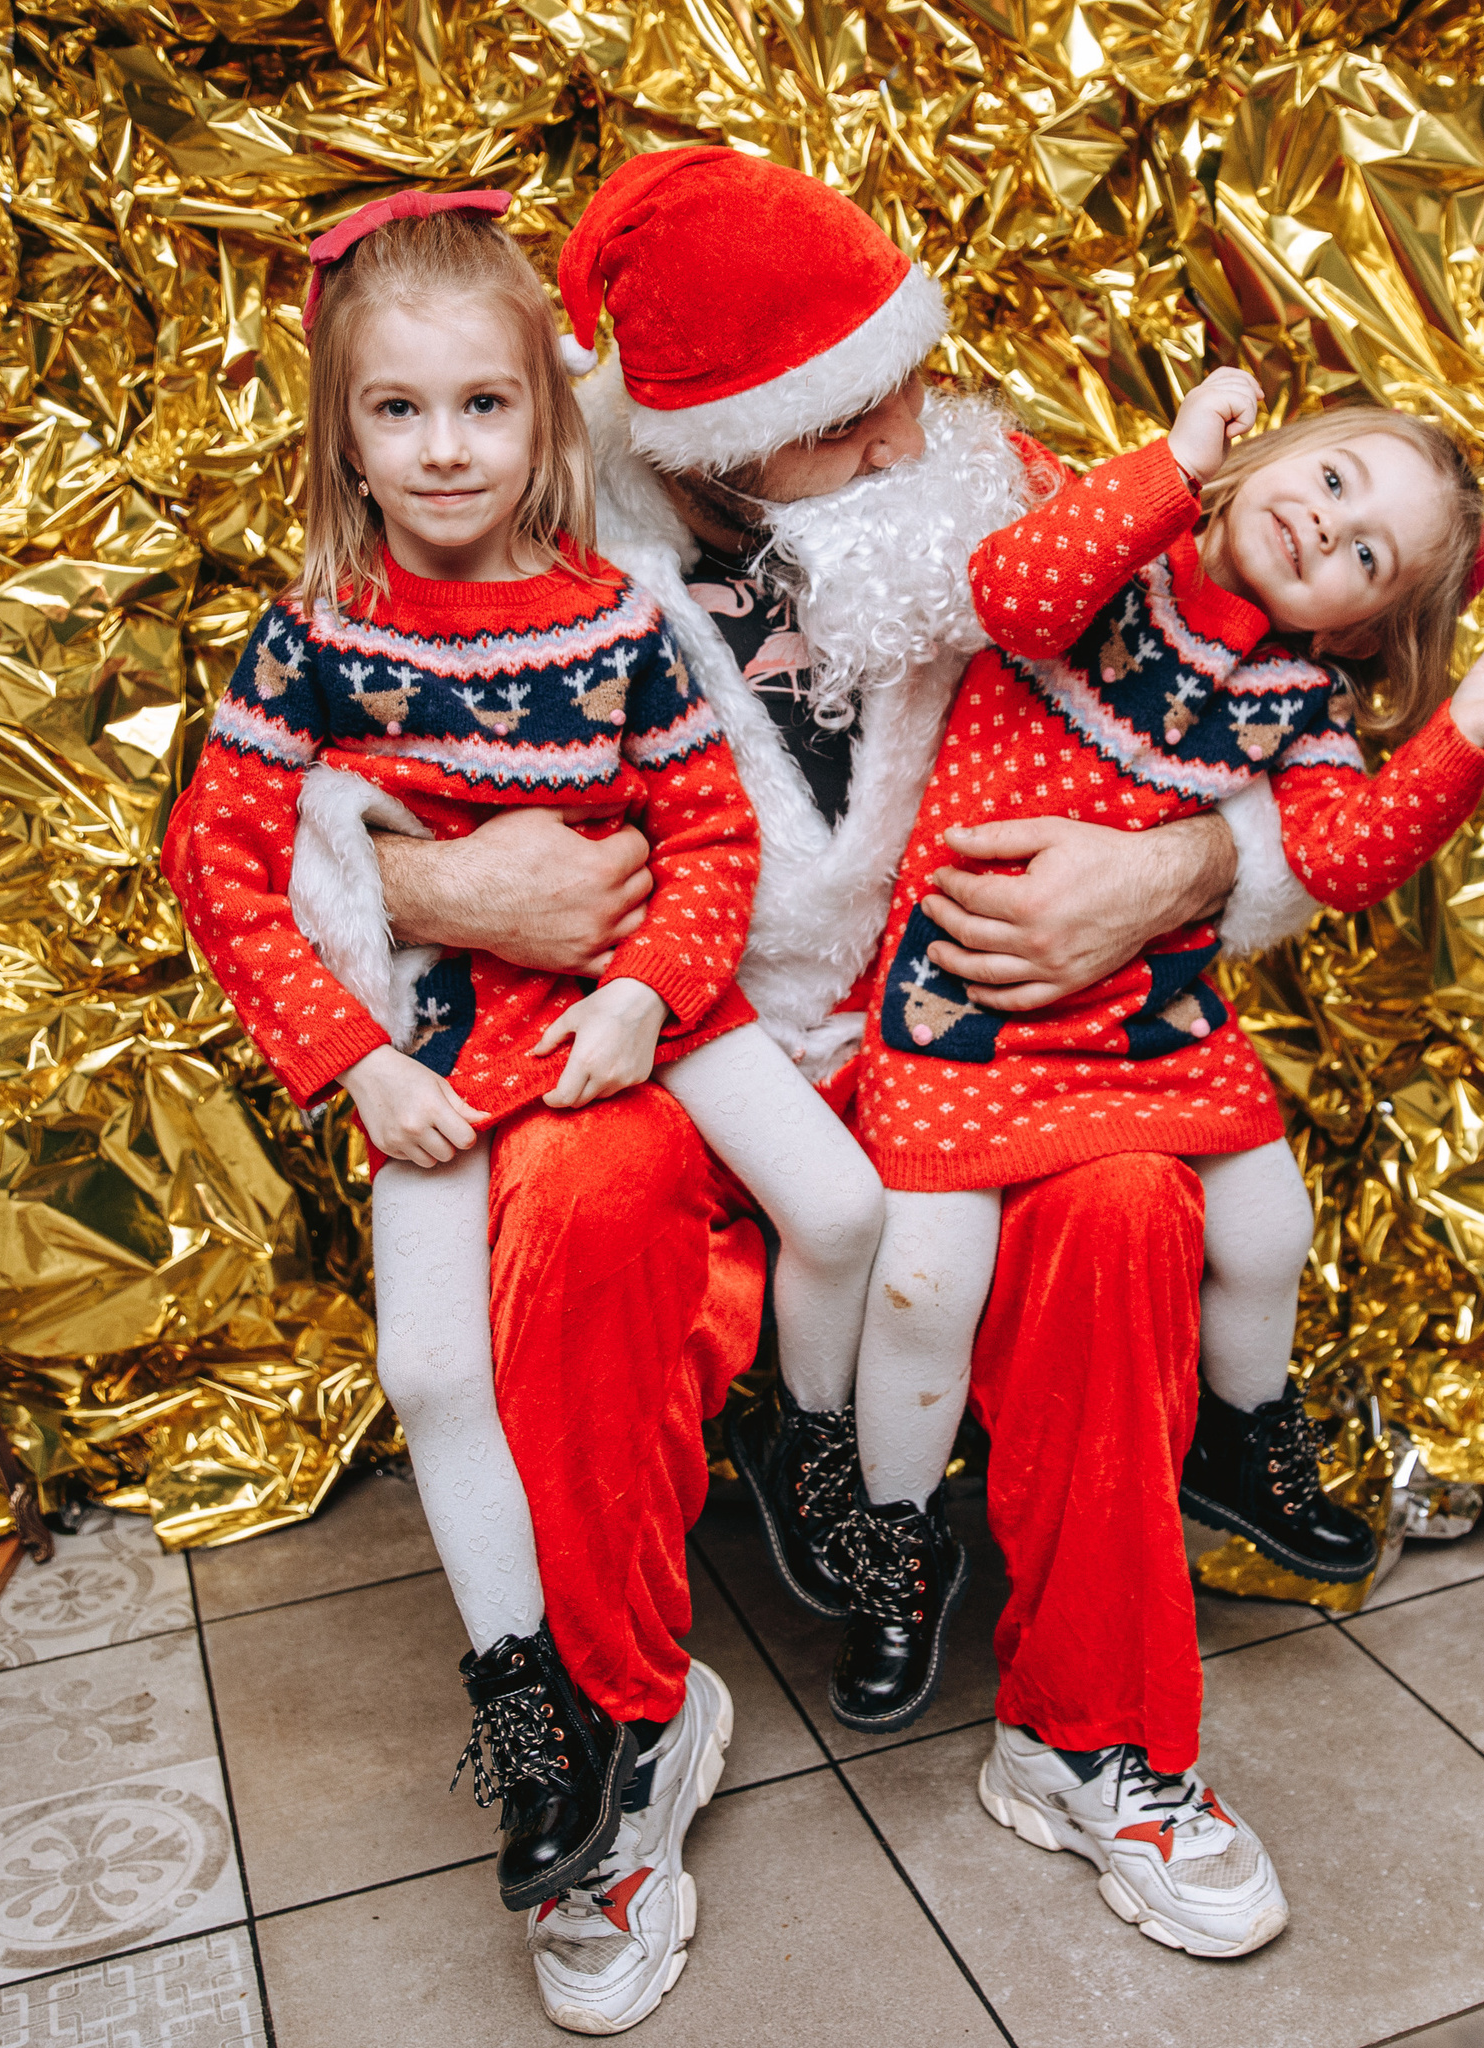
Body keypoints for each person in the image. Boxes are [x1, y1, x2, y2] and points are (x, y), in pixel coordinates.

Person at [310, 148, 1326, 1981]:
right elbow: (286, 788)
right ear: (712, 441)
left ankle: (1094, 1730)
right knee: (576, 1200)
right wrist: (437, 885)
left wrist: (1181, 869)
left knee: (1122, 1203)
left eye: (909, 380)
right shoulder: (516, 500)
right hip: (671, 1041)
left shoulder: (986, 491)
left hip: (979, 1037)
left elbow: (1239, 703)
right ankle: (623, 1731)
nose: (905, 434)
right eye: (846, 416)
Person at [161, 191, 883, 2035]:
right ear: (344, 435)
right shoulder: (317, 637)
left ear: (546, 417)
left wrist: (645, 995)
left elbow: (707, 834)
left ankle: (814, 1452)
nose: (443, 448)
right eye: (397, 411)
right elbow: (221, 863)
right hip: (446, 1043)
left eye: (482, 404)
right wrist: (359, 1064)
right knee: (432, 1372)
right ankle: (532, 1706)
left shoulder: (619, 621)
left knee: (840, 1209)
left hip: (639, 1005)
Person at [831, 369, 1484, 1951]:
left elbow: (1337, 857)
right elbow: (1011, 594)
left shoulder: (1297, 699)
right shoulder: (1113, 564)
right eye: (1336, 482)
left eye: (1369, 557)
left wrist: (1467, 735)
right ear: (1274, 450)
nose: (1329, 531)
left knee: (1265, 1223)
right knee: (925, 1282)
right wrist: (1171, 467)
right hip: (966, 996)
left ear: (1367, 629)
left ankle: (1244, 1440)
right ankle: (892, 1545)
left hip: (1145, 1014)